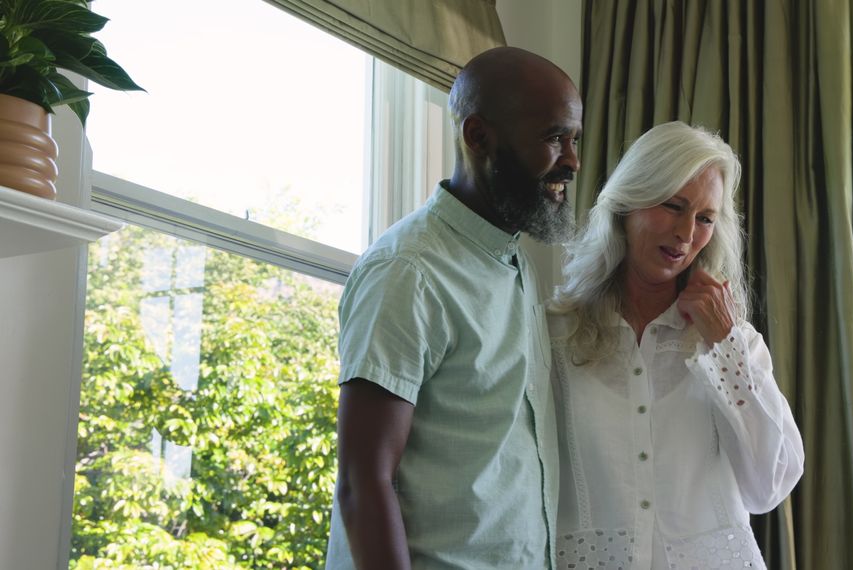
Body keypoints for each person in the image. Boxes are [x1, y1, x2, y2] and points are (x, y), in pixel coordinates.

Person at [325, 46, 582, 570]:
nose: (573, 161)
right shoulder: (409, 272)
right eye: (554, 138)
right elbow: (362, 482)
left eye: (574, 140)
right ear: (479, 136)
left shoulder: (513, 262)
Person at [547, 121, 804, 569]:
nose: (687, 233)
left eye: (705, 218)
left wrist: (723, 344)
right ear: (628, 204)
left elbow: (769, 486)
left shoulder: (734, 343)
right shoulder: (554, 335)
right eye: (673, 206)